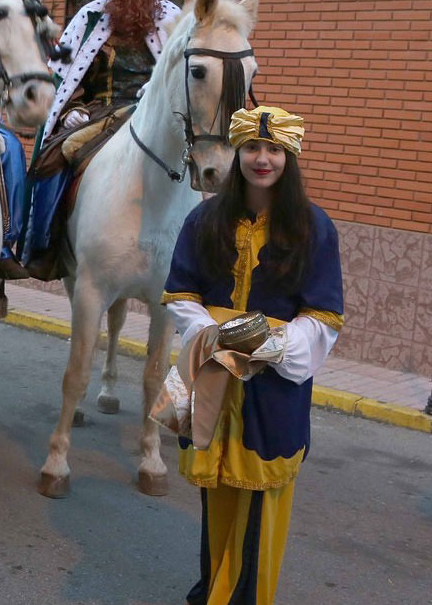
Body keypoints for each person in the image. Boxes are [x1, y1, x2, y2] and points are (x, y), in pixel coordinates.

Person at [163, 106, 343, 605]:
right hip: (211, 377)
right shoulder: (204, 219)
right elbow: (180, 294)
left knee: (261, 500)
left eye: (274, 150)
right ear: (237, 152)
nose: (262, 158)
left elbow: (324, 314)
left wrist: (272, 346)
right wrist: (214, 336)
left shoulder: (314, 228)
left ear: (289, 156)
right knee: (214, 496)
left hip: (273, 386)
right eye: (252, 148)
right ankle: (211, 591)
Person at [21, 0, 184, 277]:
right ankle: (42, 244)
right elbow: (64, 74)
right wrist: (71, 109)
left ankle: (192, 252)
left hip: (154, 113)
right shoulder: (90, 17)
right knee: (54, 158)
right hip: (99, 113)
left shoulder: (173, 18)